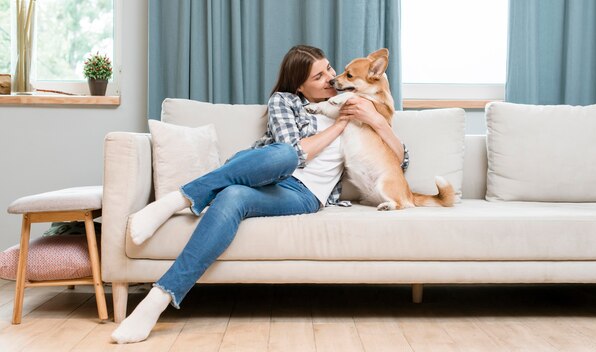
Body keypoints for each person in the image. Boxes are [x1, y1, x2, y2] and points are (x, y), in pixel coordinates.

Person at [111, 45, 409, 344]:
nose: (331, 78)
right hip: (268, 171)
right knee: (284, 154)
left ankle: (162, 279)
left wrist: (377, 120)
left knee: (233, 197)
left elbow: (400, 161)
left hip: (303, 194)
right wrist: (340, 124)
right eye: (319, 76)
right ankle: (169, 235)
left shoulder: (360, 105)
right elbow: (295, 153)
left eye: (330, 69)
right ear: (299, 86)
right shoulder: (286, 101)